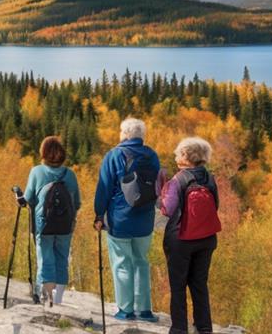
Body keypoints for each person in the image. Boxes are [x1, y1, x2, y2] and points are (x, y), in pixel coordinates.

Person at [93, 117, 161, 323]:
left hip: (120, 219)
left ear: (124, 134)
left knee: (122, 263)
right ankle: (145, 310)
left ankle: (125, 310)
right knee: (141, 262)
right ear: (141, 136)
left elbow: (104, 188)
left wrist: (98, 215)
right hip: (146, 219)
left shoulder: (114, 155)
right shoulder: (152, 156)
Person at [160, 137, 220, 334]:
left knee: (178, 286)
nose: (176, 156)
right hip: (206, 238)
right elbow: (215, 206)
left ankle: (179, 329)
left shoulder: (178, 180)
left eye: (178, 153)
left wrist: (161, 193)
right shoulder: (209, 178)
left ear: (186, 156)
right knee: (199, 284)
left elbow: (167, 210)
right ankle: (204, 328)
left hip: (181, 239)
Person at [23, 136, 81, 307]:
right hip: (65, 226)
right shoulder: (69, 174)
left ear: (43, 153)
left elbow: (28, 199)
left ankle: (47, 299)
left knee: (45, 259)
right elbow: (77, 203)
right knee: (62, 259)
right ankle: (58, 299)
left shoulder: (36, 172)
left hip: (43, 225)